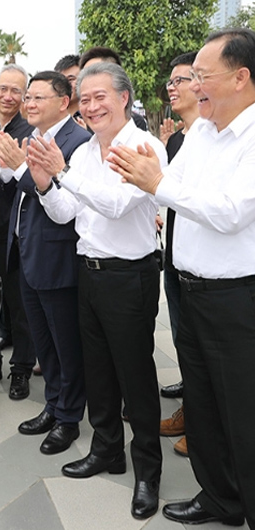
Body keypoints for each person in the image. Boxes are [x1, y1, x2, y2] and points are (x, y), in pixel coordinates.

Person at [107, 28, 255, 528]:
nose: (193, 87)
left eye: (202, 77)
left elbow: (231, 212)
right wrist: (156, 176)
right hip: (190, 291)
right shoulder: (202, 133)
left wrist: (159, 181)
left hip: (236, 298)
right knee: (203, 403)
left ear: (241, 77)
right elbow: (175, 188)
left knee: (243, 414)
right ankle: (220, 499)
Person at [26, 62, 166, 520]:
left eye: (99, 97)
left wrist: (63, 172)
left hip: (129, 276)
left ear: (124, 98)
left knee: (134, 377)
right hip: (88, 272)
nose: (90, 106)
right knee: (99, 371)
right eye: (84, 99)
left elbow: (117, 204)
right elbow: (66, 213)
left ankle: (148, 471)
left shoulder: (145, 147)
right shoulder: (86, 151)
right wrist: (45, 184)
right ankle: (107, 449)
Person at [0, 71, 91, 455]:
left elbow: (61, 202)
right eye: (27, 97)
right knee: (43, 343)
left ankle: (69, 418)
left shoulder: (78, 143)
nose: (28, 104)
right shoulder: (34, 137)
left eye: (37, 98)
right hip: (27, 252)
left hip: (57, 257)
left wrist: (19, 168)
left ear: (64, 102)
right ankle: (53, 405)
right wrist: (7, 163)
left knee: (65, 345)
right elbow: (20, 188)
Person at [0, 64, 36, 400]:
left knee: (21, 306)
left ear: (24, 96)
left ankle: (21, 369)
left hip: (18, 235)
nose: (8, 96)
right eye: (3, 88)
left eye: (16, 90)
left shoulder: (32, 132)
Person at [156, 51, 200, 459]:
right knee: (185, 339)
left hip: (207, 264)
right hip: (176, 252)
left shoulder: (211, 137)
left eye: (181, 80)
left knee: (203, 347)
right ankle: (192, 410)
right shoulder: (180, 139)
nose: (173, 88)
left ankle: (202, 424)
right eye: (170, 82)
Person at [79, 47, 148, 131]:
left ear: (123, 97)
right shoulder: (80, 124)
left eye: (100, 97)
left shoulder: (137, 126)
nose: (92, 107)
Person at [54, 54, 81, 120]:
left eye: (70, 79)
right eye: (60, 80)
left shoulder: (93, 116)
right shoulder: (50, 119)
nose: (65, 84)